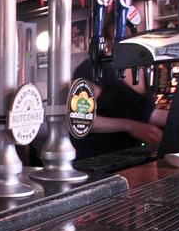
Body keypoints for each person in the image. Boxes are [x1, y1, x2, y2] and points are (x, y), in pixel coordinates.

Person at [70, 25, 166, 160]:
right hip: (96, 161)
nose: (155, 24)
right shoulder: (96, 68)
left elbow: (143, 113)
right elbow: (78, 118)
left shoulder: (143, 70)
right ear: (119, 28)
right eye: (149, 19)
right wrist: (129, 126)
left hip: (132, 158)